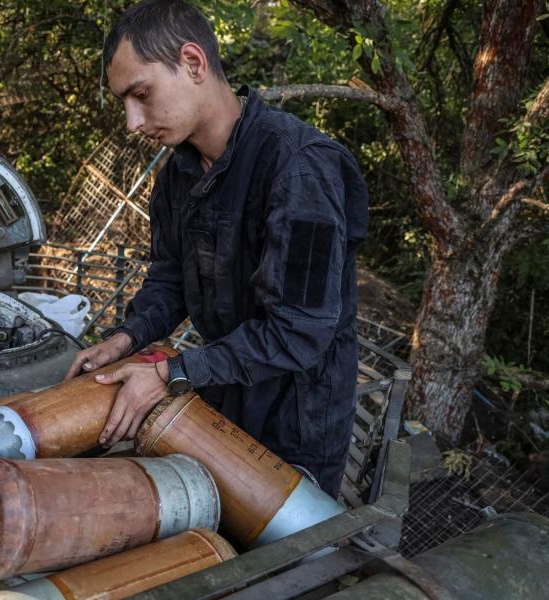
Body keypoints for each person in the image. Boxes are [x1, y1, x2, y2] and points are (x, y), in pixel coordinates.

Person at [63, 0, 368, 498]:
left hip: (296, 421)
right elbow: (170, 276)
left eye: (141, 94)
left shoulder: (299, 169)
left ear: (193, 62)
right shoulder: (177, 176)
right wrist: (126, 339)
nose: (132, 122)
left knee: (282, 558)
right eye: (125, 102)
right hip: (223, 399)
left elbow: (298, 332)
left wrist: (172, 371)